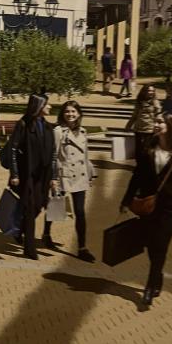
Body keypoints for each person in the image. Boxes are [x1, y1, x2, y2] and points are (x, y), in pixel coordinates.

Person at [120, 114, 172, 307]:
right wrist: (126, 199)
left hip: (170, 208)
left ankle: (149, 287)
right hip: (149, 204)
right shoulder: (148, 149)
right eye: (156, 121)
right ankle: (157, 275)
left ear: (171, 126)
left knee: (160, 245)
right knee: (151, 245)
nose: (156, 124)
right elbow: (136, 176)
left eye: (160, 122)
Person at [42, 100, 96, 262]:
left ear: (78, 114)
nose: (70, 114)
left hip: (80, 176)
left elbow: (85, 156)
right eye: (67, 111)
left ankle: (82, 248)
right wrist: (53, 178)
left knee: (80, 212)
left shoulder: (83, 132)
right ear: (62, 114)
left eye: (73, 111)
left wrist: (90, 174)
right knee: (56, 207)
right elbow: (53, 156)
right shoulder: (58, 131)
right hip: (63, 175)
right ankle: (46, 234)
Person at [8, 94, 56, 260]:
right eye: (47, 104)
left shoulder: (48, 127)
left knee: (38, 206)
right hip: (26, 174)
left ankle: (19, 229)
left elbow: (53, 153)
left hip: (43, 176)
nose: (50, 107)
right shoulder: (24, 124)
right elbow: (13, 149)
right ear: (39, 106)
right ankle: (29, 249)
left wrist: (54, 176)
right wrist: (14, 174)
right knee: (29, 209)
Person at [126, 84, 162, 156]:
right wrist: (128, 125)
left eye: (152, 91)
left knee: (147, 149)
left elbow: (159, 114)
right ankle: (139, 162)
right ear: (144, 91)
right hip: (138, 128)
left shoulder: (155, 102)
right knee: (138, 149)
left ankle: (147, 162)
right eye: (149, 90)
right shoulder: (139, 102)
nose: (151, 92)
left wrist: (159, 121)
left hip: (150, 129)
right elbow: (135, 115)